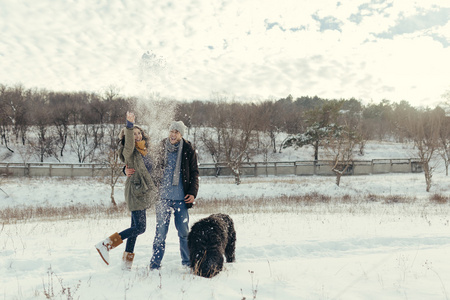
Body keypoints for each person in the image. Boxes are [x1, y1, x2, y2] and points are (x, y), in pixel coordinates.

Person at [126, 120, 199, 270]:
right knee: (160, 233)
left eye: (176, 132)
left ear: (181, 134)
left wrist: (192, 193)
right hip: (162, 198)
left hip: (182, 199)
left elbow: (194, 173)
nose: (173, 134)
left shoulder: (188, 148)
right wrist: (124, 170)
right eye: (171, 131)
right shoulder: (160, 147)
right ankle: (155, 264)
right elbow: (143, 162)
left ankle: (187, 263)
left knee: (184, 233)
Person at [95, 111, 157, 270]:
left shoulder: (145, 150)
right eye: (133, 133)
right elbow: (128, 145)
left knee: (134, 228)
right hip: (135, 192)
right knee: (140, 228)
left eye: (138, 132)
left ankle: (126, 264)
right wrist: (129, 125)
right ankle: (106, 244)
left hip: (143, 192)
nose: (136, 135)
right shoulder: (129, 151)